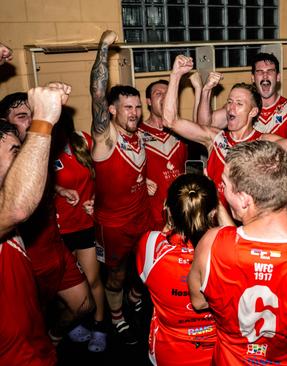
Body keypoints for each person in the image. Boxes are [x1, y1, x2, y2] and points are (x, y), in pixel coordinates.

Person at [188, 140, 287, 365]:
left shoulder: (211, 245)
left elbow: (199, 302)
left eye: (223, 185)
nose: (220, 190)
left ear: (244, 199)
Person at [163, 55, 287, 208]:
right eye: (230, 102)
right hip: (215, 222)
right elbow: (169, 120)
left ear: (253, 112)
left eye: (239, 103)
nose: (231, 108)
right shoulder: (215, 138)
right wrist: (175, 75)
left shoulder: (263, 142)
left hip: (249, 224)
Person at [0, 82, 71, 366]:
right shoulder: (8, 205)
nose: (22, 161)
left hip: (35, 342)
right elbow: (16, 207)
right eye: (15, 152)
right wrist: (42, 121)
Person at [90, 30, 152, 344]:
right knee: (115, 273)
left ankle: (133, 295)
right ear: (112, 110)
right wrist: (104, 48)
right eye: (128, 108)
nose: (135, 113)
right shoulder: (105, 138)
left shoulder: (138, 136)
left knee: (144, 265)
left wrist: (145, 180)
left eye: (137, 107)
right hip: (113, 225)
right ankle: (116, 316)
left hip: (141, 215)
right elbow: (98, 94)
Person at [136, 174, 219, 366]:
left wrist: (171, 222)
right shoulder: (227, 253)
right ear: (213, 213)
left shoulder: (149, 244)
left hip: (168, 353)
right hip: (216, 352)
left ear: (169, 210)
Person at [52, 111, 107, 352]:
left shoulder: (82, 141)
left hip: (85, 225)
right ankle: (73, 321)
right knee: (64, 284)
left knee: (93, 279)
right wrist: (59, 189)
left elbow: (104, 176)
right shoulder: (41, 149)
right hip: (58, 229)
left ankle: (100, 326)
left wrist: (96, 198)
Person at [198, 52, 287, 139]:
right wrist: (206, 90)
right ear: (253, 78)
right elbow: (204, 127)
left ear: (278, 77)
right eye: (260, 72)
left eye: (270, 71)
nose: (265, 76)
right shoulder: (237, 107)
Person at [138, 79, 191, 229]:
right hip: (151, 214)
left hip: (183, 212)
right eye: (158, 94)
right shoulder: (137, 134)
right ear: (148, 101)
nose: (164, 97)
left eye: (168, 94)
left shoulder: (183, 130)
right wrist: (142, 181)